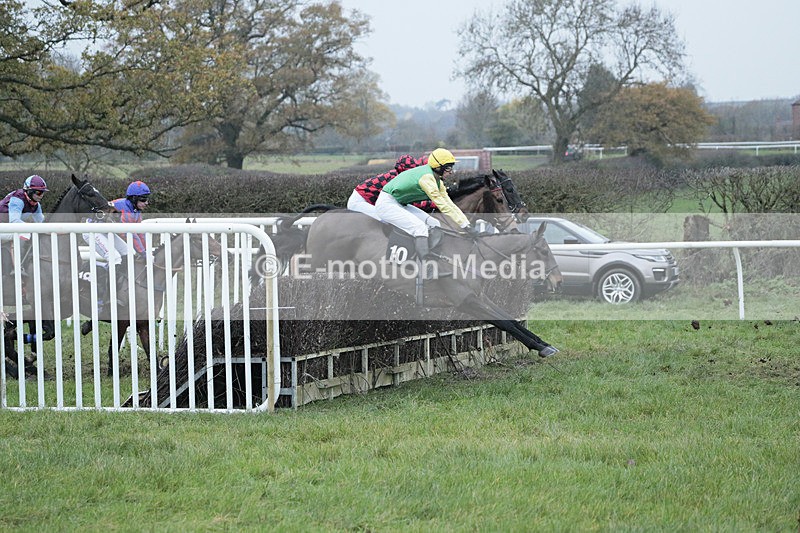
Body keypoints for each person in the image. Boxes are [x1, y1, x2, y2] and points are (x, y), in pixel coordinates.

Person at [375, 148, 477, 259]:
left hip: (400, 203)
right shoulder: (426, 178)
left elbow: (450, 205)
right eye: (448, 168)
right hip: (386, 204)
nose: (451, 171)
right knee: (420, 228)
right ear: (438, 167)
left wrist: (467, 225)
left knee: (434, 223)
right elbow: (442, 206)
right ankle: (425, 265)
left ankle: (435, 256)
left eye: (452, 167)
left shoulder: (438, 181)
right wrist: (463, 225)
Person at [82, 180, 150, 266]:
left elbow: (140, 233)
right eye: (143, 200)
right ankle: (98, 272)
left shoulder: (136, 210)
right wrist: (143, 253)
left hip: (106, 231)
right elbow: (130, 234)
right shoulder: (123, 208)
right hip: (92, 231)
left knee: (129, 254)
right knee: (115, 258)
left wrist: (146, 251)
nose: (146, 203)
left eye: (147, 199)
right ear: (134, 199)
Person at [347, 154, 435, 220]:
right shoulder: (396, 181)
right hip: (358, 202)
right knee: (387, 219)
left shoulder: (399, 176)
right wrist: (435, 204)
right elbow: (412, 202)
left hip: (369, 199)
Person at [0, 175, 49, 268]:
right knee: (25, 232)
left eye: (43, 192)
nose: (41, 195)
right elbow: (14, 221)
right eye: (38, 192)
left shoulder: (36, 205)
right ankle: (18, 267)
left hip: (4, 227)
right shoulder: (17, 199)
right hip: (3, 226)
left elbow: (42, 223)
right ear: (29, 191)